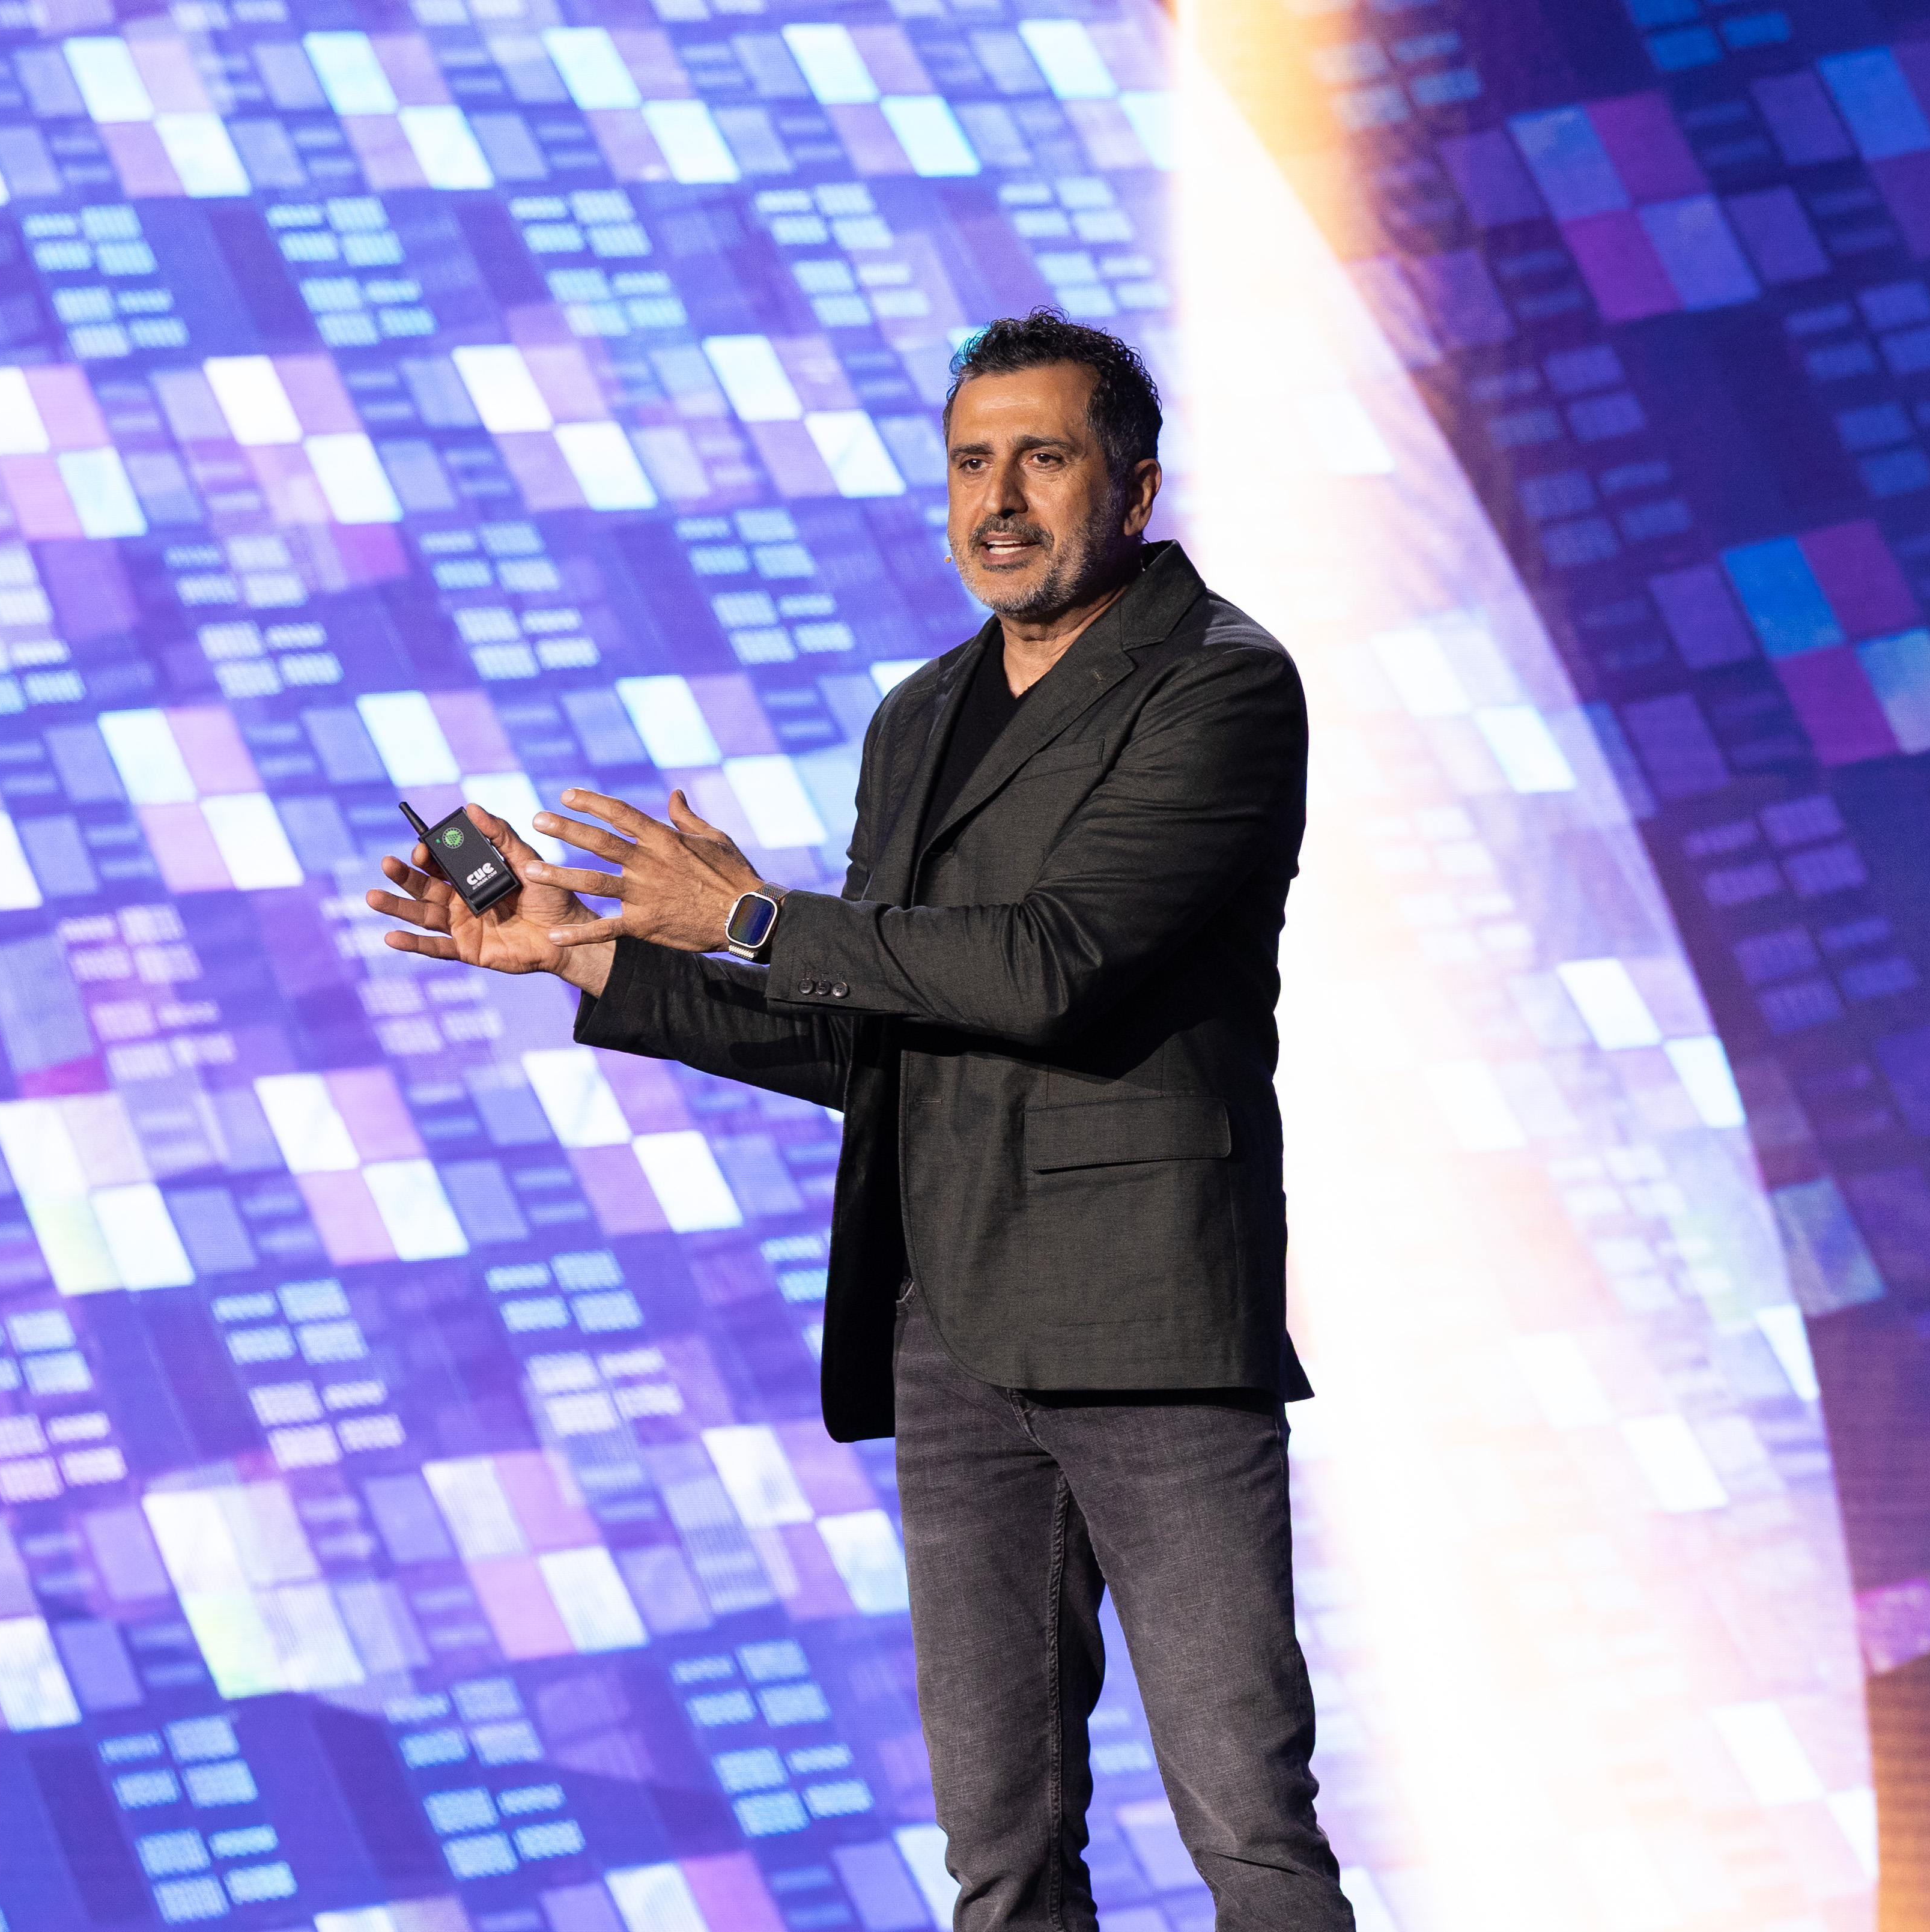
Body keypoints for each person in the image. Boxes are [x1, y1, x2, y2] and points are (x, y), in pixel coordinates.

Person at [365, 310, 1352, 1932]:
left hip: (1147, 1323)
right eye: (970, 463)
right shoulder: (920, 716)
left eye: (1044, 459)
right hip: (945, 1327)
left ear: (1135, 486)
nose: (999, 502)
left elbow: (1053, 967)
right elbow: (871, 1036)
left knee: (1250, 1830)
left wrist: (758, 920)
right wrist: (590, 952)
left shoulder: (1222, 689)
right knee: (1000, 1851)